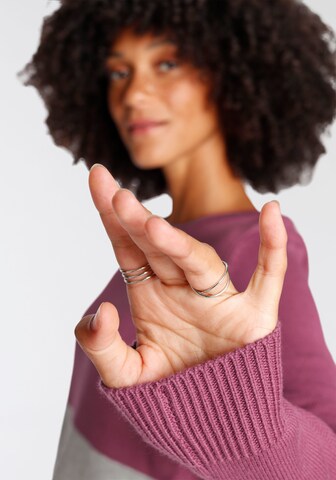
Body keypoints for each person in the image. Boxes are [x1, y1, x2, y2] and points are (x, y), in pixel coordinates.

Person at [21, 0, 336, 478]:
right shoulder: (159, 250)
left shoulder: (250, 249)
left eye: (166, 63)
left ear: (232, 75)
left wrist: (243, 427)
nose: (133, 94)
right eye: (118, 73)